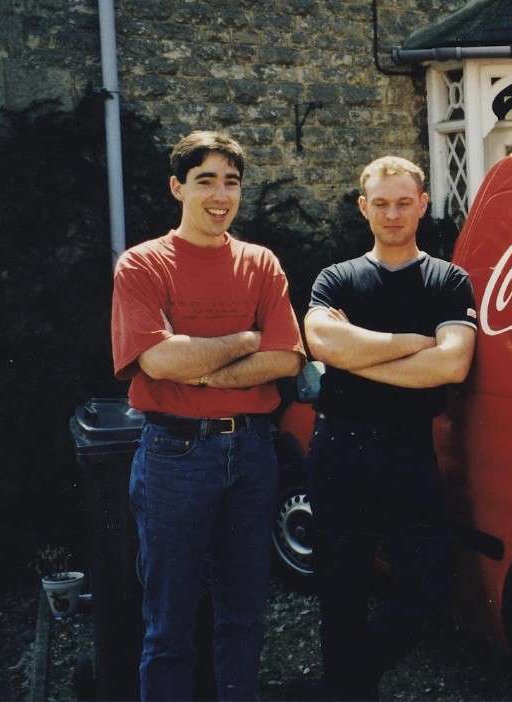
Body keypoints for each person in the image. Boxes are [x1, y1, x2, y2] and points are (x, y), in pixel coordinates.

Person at [111, 131, 306, 701]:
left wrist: (197, 366)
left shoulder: (260, 263)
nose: (220, 195)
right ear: (178, 187)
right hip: (175, 455)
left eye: (231, 182)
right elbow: (157, 357)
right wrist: (245, 338)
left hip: (251, 451)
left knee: (243, 615)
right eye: (205, 181)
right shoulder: (144, 264)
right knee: (168, 625)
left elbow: (285, 358)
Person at [302, 156, 477, 700]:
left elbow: (450, 366)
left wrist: (359, 355)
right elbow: (322, 343)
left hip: (409, 454)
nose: (393, 213)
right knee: (343, 592)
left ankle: (340, 686)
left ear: (424, 204)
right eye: (381, 203)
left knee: (428, 592)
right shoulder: (337, 278)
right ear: (364, 208)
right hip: (340, 450)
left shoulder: (448, 281)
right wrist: (413, 343)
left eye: (404, 202)